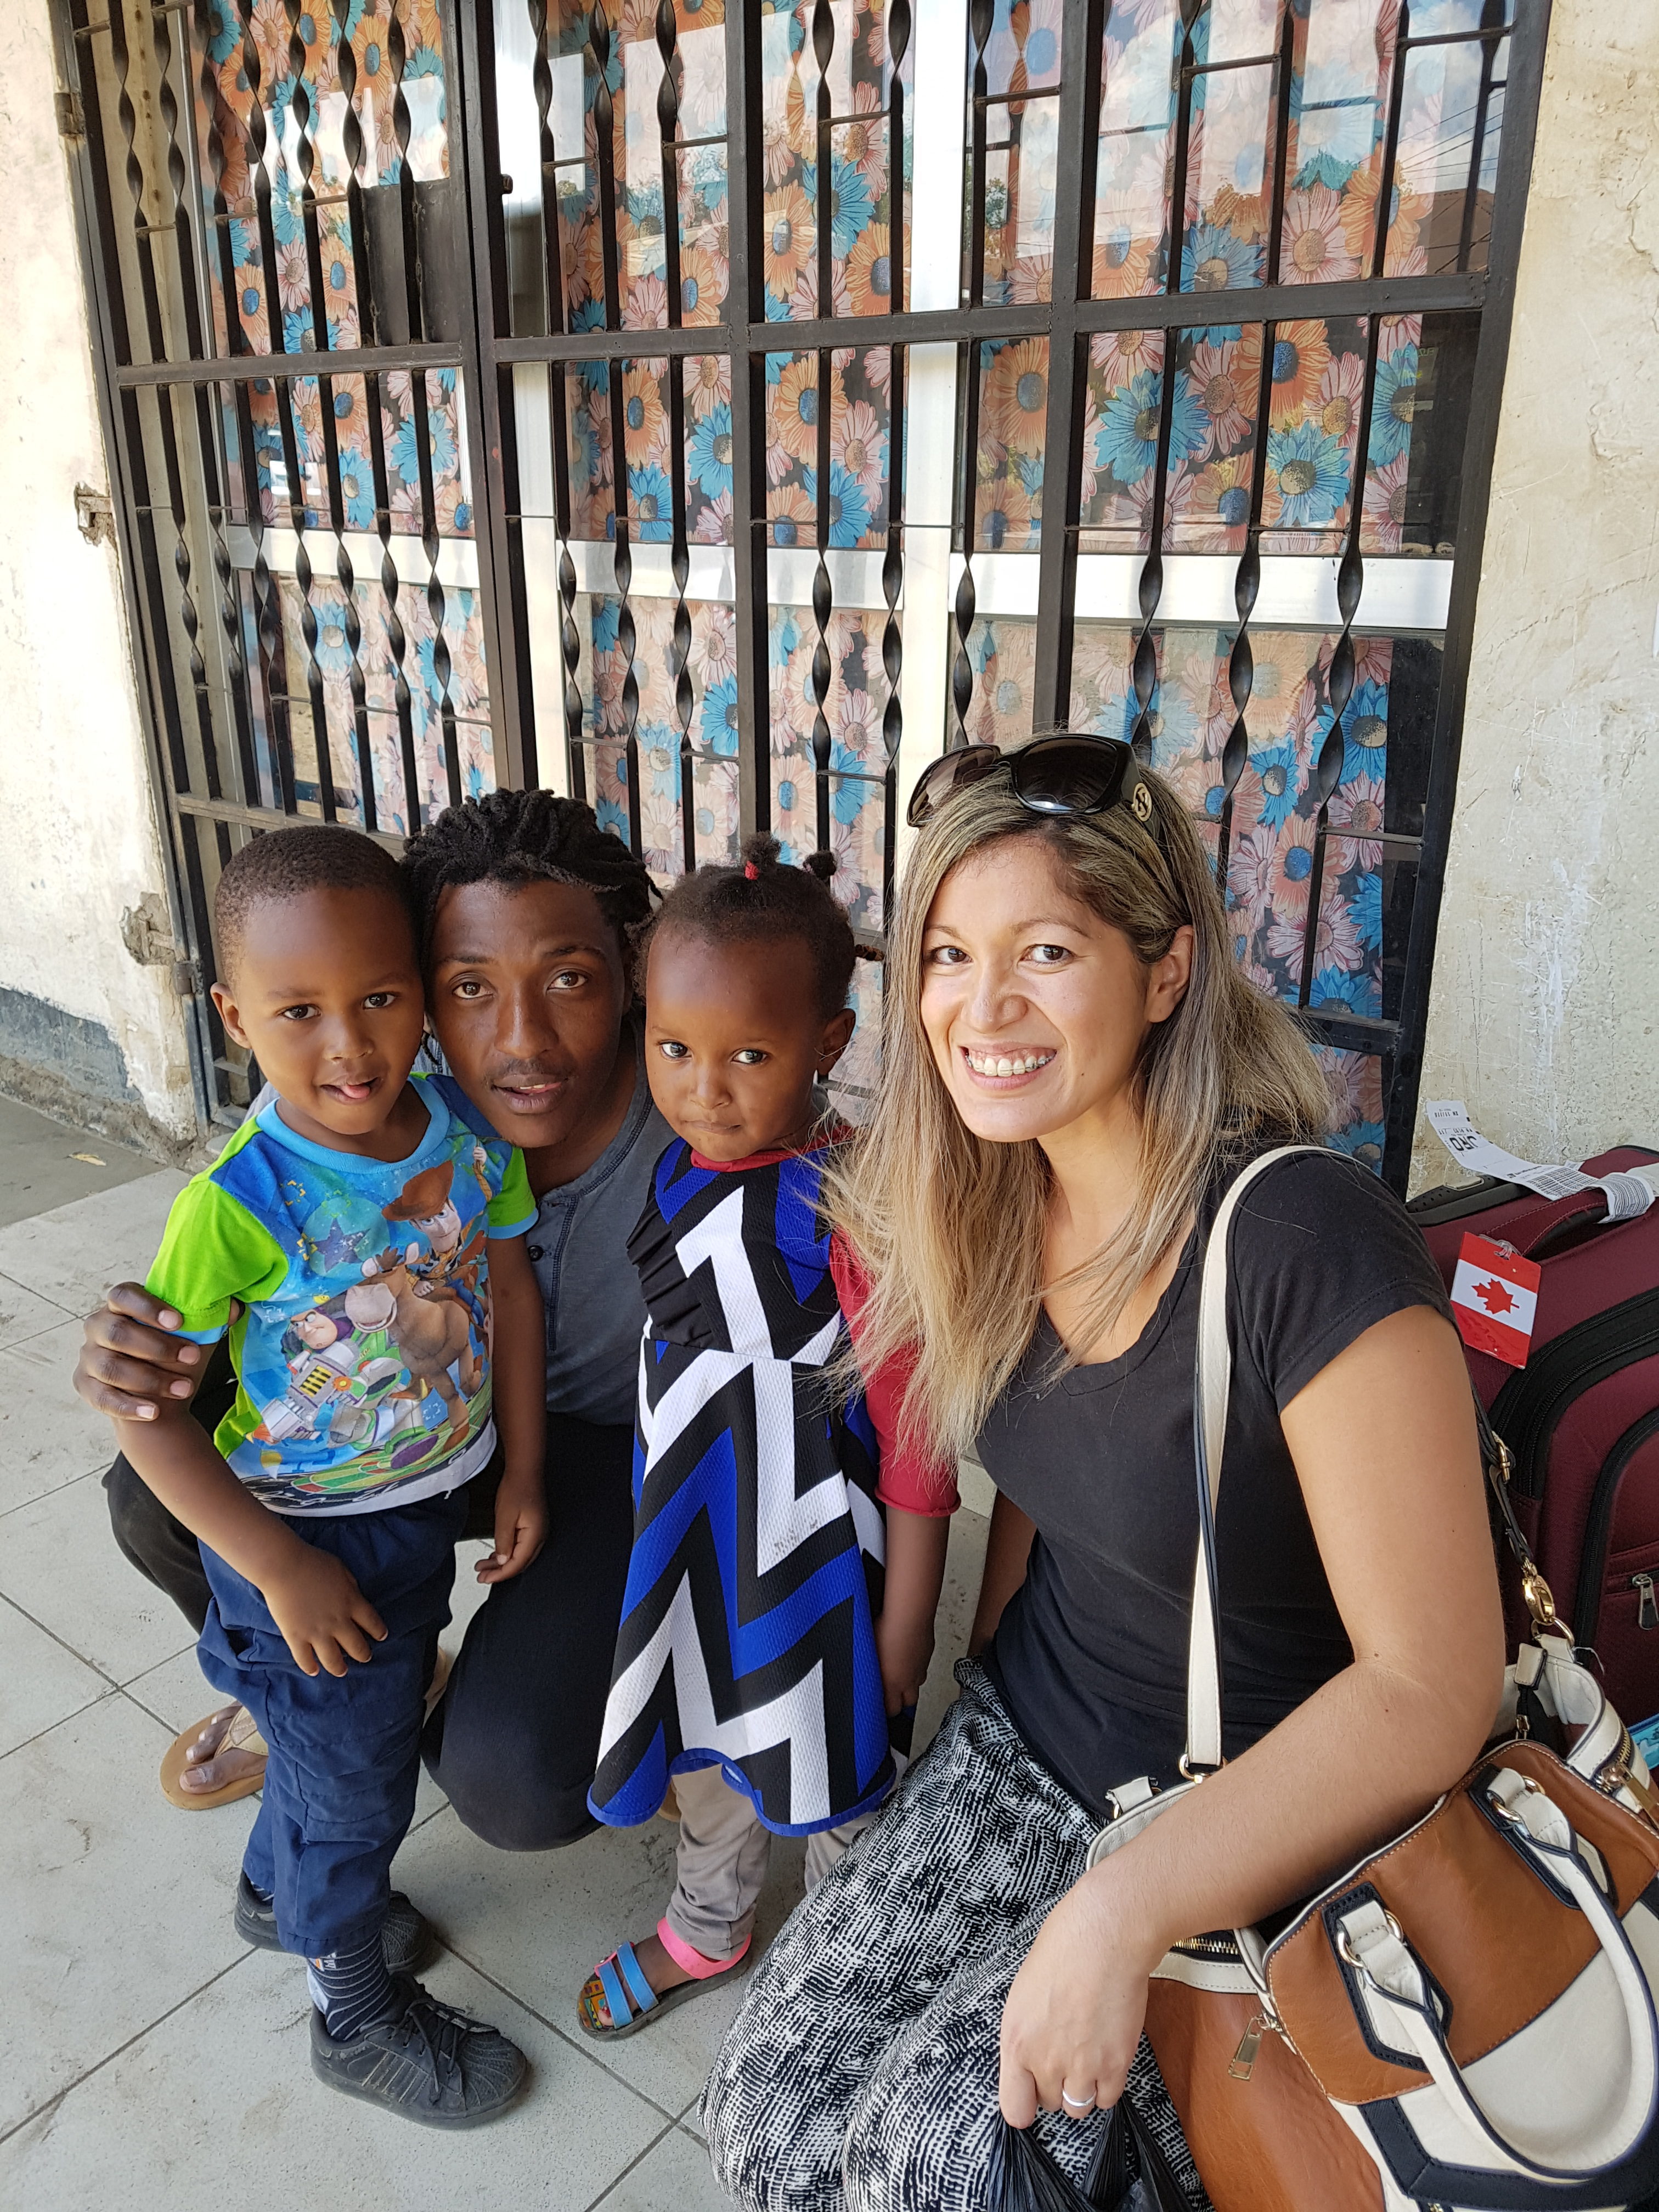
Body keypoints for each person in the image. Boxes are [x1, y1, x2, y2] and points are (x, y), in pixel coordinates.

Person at [700, 737, 1504, 2209]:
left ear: (1166, 969)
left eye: (1046, 950)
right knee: (770, 2125)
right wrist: (974, 1689)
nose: (981, 1008)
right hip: (1034, 1738)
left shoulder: (1300, 1244)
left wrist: (1119, 1908)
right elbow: (1050, 1494)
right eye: (947, 953)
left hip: (1251, 1811)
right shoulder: (991, 1193)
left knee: (940, 2167)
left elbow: (1434, 1690)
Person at [74, 791, 669, 1846]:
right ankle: (303, 1685)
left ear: (631, 968)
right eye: (468, 988)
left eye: (570, 979)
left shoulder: (698, 1115)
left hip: (588, 1449)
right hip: (402, 1414)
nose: (521, 1040)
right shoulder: (386, 1086)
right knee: (148, 1494)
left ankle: (444, 1686)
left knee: (515, 1785)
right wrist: (136, 1355)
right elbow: (256, 1247)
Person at [105, 823, 543, 2124]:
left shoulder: (462, 1128)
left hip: (423, 1502)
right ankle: (348, 2014)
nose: (348, 1046)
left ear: (419, 987)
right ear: (237, 1017)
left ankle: (270, 1891)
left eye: (379, 1000)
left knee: (340, 1750)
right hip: (308, 1545)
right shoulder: (236, 1201)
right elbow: (149, 1419)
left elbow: (508, 1290)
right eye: (299, 1012)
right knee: (358, 1786)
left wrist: (517, 1469)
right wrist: (279, 1567)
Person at [577, 838, 955, 2040]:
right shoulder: (680, 1171)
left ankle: (849, 1969)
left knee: (835, 1773)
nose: (704, 1088)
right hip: (693, 1549)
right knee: (710, 1755)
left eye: (750, 1055)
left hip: (811, 1566)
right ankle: (711, 1923)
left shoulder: (846, 1211)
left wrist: (904, 1629)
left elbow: (918, 1437)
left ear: (829, 1047)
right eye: (673, 1049)